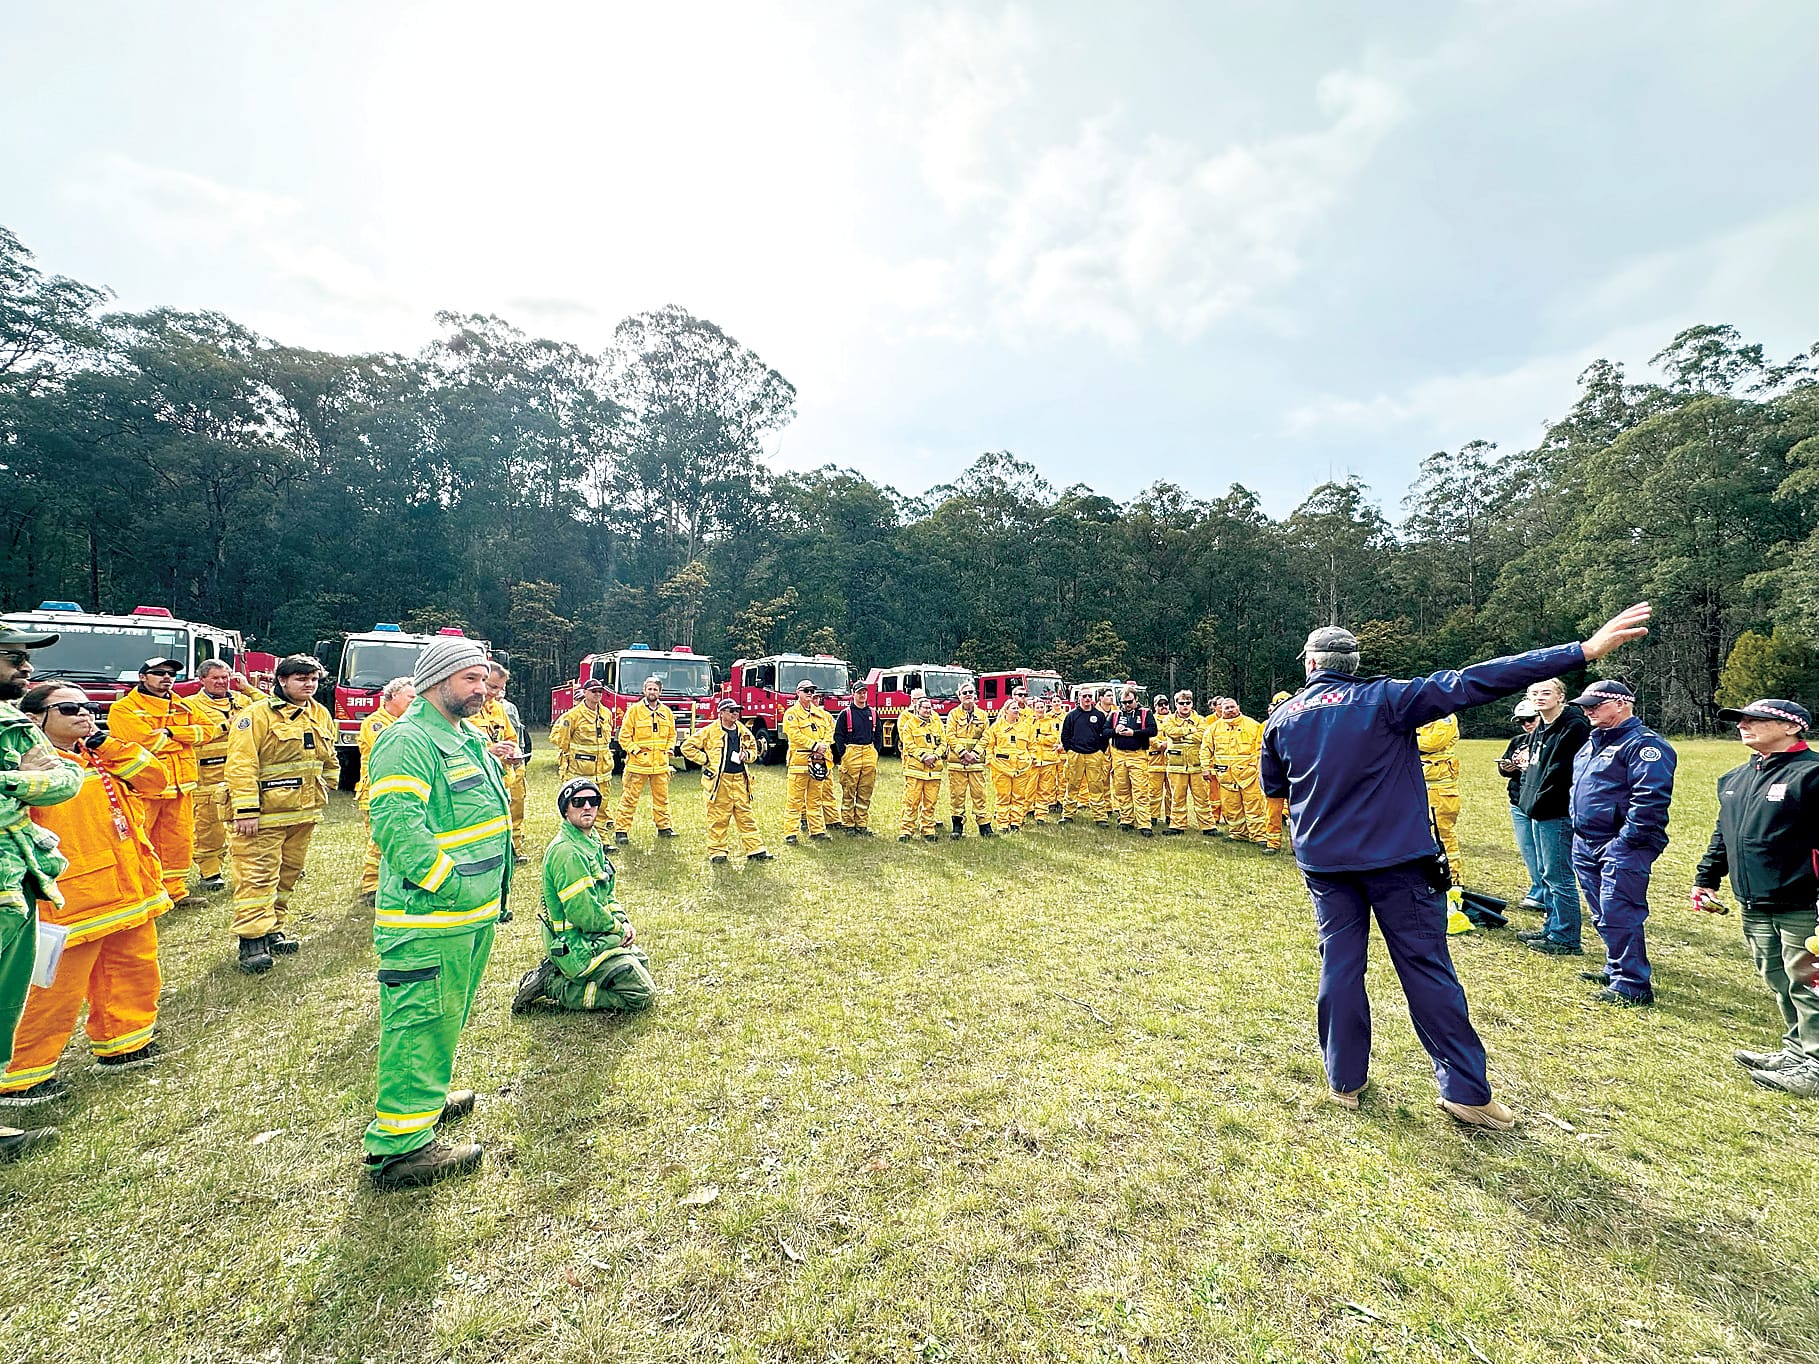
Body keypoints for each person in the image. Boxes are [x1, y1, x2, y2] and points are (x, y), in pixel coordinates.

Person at [1259, 603, 1652, 1128]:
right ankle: (1465, 1092)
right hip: (1398, 860)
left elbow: (1275, 789)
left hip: (1326, 864)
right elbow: (1478, 680)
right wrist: (1581, 652)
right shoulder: (1388, 698)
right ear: (1353, 664)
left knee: (1340, 966)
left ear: (1310, 664)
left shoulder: (1282, 717)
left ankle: (1345, 1081)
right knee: (1426, 968)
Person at [361, 636, 511, 1189]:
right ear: (435, 681)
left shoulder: (463, 735)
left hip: (467, 916)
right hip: (430, 918)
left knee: (444, 1018)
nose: (482, 689)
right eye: (470, 679)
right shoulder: (408, 740)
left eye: (484, 679)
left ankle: (425, 1100)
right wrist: (448, 884)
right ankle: (400, 1149)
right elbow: (398, 828)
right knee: (418, 1023)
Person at [1, 684, 170, 1103]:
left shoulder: (101, 756)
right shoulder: (28, 769)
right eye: (69, 708)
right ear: (34, 718)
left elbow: (156, 781)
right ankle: (21, 1077)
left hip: (128, 889)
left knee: (134, 969)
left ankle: (126, 1044)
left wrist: (106, 744)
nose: (85, 714)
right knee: (49, 989)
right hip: (69, 901)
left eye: (89, 706)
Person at [1692, 698, 1819, 1097]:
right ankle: (1796, 1051)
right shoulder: (1735, 777)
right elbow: (1723, 833)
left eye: (1757, 720)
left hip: (1804, 904)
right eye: (1741, 720)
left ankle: (1815, 1067)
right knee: (1779, 979)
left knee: (1810, 985)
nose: (1744, 725)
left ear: (1792, 727)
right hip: (1755, 902)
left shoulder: (1812, 775)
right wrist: (1706, 877)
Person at [0, 630, 81, 1162]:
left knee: (4, 1001)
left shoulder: (13, 721)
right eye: (13, 657)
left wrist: (15, 782)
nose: (25, 667)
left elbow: (67, 779)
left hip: (18, 878)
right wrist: (21, 778)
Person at [223, 654, 339, 975]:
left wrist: (329, 784)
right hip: (263, 816)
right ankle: (252, 941)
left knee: (288, 874)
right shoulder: (256, 715)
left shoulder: (320, 713)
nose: (309, 684)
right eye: (301, 678)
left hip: (303, 815)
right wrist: (246, 809)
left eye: (313, 679)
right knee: (257, 876)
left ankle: (274, 928)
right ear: (282, 681)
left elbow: (328, 756)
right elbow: (241, 764)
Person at [1568, 679, 1676, 1006]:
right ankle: (1616, 966)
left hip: (1620, 843)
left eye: (1595, 705)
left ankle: (1631, 985)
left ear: (1621, 704)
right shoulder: (1592, 742)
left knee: (1619, 911)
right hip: (1586, 840)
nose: (1588, 711)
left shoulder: (1643, 745)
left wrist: (1625, 841)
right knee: (1602, 911)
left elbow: (1650, 800)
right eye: (1585, 706)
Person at [513, 777, 657, 1013]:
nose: (587, 806)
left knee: (641, 964)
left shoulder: (590, 841)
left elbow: (606, 893)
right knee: (641, 994)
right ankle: (554, 985)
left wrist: (623, 920)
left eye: (593, 800)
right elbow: (584, 913)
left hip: (594, 936)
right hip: (576, 944)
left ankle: (562, 974)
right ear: (566, 810)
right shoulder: (568, 852)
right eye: (578, 802)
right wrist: (618, 930)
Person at [107, 656, 224, 907]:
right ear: (142, 677)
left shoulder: (182, 705)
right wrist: (183, 741)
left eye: (171, 673)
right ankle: (141, 892)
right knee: (140, 841)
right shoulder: (124, 708)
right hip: (145, 788)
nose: (167, 677)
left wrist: (172, 733)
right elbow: (145, 742)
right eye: (159, 673)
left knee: (178, 842)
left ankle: (175, 892)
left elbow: (208, 731)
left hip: (181, 786)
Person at [1514, 679, 1593, 958]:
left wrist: (1541, 799)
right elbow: (1534, 766)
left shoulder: (1574, 726)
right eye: (1534, 693)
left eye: (1546, 693)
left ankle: (1566, 937)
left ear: (1561, 696)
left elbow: (1562, 771)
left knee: (1558, 875)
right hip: (1536, 808)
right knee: (1546, 873)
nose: (1540, 697)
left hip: (1556, 810)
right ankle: (1551, 928)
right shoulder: (1541, 726)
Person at [185, 660, 264, 893]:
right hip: (207, 778)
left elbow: (272, 708)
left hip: (242, 776)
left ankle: (256, 870)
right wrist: (225, 725)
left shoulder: (243, 701)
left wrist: (248, 688)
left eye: (225, 677)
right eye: (215, 678)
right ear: (202, 680)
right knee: (208, 829)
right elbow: (189, 735)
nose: (221, 682)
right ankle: (210, 873)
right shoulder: (189, 705)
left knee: (250, 826)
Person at [679, 700, 774, 864]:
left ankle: (756, 850)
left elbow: (753, 750)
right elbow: (687, 747)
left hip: (740, 781)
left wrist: (747, 755)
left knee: (746, 817)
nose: (735, 713)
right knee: (718, 818)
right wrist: (705, 759)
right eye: (731, 710)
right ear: (721, 713)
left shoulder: (743, 731)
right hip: (719, 782)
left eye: (737, 710)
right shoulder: (709, 731)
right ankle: (717, 852)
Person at [355, 678, 416, 903]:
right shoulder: (375, 723)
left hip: (401, 791)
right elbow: (392, 747)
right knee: (380, 840)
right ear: (393, 696)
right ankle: (371, 887)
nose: (415, 702)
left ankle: (393, 884)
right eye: (411, 697)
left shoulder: (409, 723)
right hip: (376, 792)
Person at [613, 676, 678, 844]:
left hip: (660, 765)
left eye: (655, 689)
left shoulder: (667, 712)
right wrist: (636, 751)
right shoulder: (634, 711)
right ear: (644, 690)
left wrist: (669, 749)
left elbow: (672, 735)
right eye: (649, 689)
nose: (652, 692)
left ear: (660, 692)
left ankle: (664, 827)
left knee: (662, 799)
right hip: (638, 765)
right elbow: (624, 737)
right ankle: (621, 831)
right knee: (629, 799)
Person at [476, 664, 529, 863]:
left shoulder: (498, 709)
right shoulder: (464, 709)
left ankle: (510, 851)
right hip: (478, 781)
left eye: (500, 688)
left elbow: (511, 738)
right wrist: (489, 751)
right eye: (492, 687)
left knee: (508, 816)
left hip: (501, 779)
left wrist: (513, 752)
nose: (496, 693)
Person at [1496, 699, 1544, 910]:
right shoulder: (1518, 741)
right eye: (1521, 721)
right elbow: (1505, 766)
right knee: (1528, 849)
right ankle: (1538, 887)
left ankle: (1547, 893)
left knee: (1545, 852)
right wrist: (1507, 768)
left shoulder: (1551, 741)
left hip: (1542, 804)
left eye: (1530, 719)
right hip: (1518, 801)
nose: (1526, 724)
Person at [778, 679, 835, 845]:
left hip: (818, 761)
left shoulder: (820, 714)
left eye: (812, 691)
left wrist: (823, 745)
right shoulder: (791, 714)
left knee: (815, 799)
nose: (810, 694)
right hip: (799, 763)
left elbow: (829, 730)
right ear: (798, 693)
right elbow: (794, 735)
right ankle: (791, 833)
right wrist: (814, 745)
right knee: (795, 801)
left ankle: (817, 831)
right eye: (806, 691)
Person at [1208, 697, 1269, 848]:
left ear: (1238, 707)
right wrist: (1205, 768)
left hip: (1249, 775)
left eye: (1232, 707)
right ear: (1221, 710)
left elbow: (1260, 748)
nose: (1230, 710)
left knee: (1254, 806)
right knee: (1231, 807)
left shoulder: (1253, 725)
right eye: (1226, 708)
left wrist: (1258, 767)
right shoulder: (1214, 728)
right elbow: (1206, 749)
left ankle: (1258, 836)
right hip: (1226, 777)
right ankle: (1237, 833)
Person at [550, 680, 616, 808]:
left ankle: (600, 821)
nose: (597, 694)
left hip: (603, 771)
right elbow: (563, 742)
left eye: (600, 691)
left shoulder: (606, 713)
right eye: (593, 691)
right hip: (580, 769)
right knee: (579, 805)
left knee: (602, 804)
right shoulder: (572, 716)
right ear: (585, 692)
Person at [896, 692, 948, 842]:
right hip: (915, 770)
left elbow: (943, 743)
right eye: (924, 708)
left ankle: (928, 830)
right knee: (911, 802)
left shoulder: (937, 724)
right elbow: (909, 745)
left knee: (930, 803)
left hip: (934, 770)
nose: (927, 710)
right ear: (917, 709)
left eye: (929, 707)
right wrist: (924, 757)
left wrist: (935, 756)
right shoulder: (909, 724)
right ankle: (906, 831)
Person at [944, 683, 993, 838]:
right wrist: (964, 753)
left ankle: (985, 827)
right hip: (957, 763)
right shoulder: (953, 714)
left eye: (970, 691)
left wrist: (974, 754)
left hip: (976, 763)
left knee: (980, 795)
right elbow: (950, 736)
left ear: (975, 695)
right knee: (957, 796)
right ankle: (957, 828)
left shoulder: (983, 715)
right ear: (959, 696)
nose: (968, 694)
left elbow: (986, 736)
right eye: (964, 692)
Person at [1108, 687, 1157, 835]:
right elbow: (1104, 732)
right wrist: (1115, 730)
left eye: (1129, 702)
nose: (1127, 705)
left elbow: (1153, 730)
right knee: (1121, 790)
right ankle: (1126, 820)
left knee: (1140, 790)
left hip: (1137, 755)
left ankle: (1144, 824)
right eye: (1124, 702)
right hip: (1119, 755)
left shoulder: (1145, 713)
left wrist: (1134, 733)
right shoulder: (1115, 714)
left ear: (1136, 700)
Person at [833, 682, 880, 835]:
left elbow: (878, 734)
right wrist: (843, 753)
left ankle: (861, 824)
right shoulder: (845, 714)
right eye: (859, 692)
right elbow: (838, 735)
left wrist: (875, 751)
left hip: (868, 752)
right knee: (849, 790)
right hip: (851, 752)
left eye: (864, 692)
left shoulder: (873, 713)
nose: (862, 695)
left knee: (865, 791)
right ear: (853, 694)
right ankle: (848, 824)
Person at [1156, 692, 1205, 835]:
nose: (1185, 706)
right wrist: (1190, 730)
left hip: (1196, 765)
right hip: (1176, 765)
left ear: (1192, 704)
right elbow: (1171, 732)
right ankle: (1177, 826)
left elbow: (1202, 735)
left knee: (1202, 798)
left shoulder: (1200, 719)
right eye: (1181, 703)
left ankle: (1208, 827)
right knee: (1177, 798)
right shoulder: (1168, 719)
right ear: (1176, 704)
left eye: (1187, 703)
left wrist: (1181, 736)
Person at [1059, 688, 1110, 826]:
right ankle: (1067, 815)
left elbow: (1105, 735)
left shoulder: (1099, 715)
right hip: (1076, 755)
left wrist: (1100, 751)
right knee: (1072, 785)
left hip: (1094, 755)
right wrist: (1070, 750)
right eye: (1084, 696)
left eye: (1089, 696)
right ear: (1079, 698)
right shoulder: (1071, 715)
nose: (1087, 698)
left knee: (1096, 785)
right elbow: (1065, 735)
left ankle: (1100, 817)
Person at [986, 695, 1034, 832]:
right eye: (1013, 708)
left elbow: (1032, 746)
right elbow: (989, 746)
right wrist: (990, 760)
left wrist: (1031, 759)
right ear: (1006, 710)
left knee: (1019, 797)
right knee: (1003, 797)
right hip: (1001, 768)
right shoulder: (996, 728)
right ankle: (1002, 824)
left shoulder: (1026, 727)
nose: (1017, 710)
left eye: (1017, 708)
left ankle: (1015, 823)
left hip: (1021, 769)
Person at [1262, 690, 1292, 851]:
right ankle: (1273, 844)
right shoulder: (1265, 725)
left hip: (1293, 773)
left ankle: (1296, 846)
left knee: (1296, 812)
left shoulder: (1298, 722)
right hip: (1273, 773)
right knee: (1273, 811)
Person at [1028, 694, 1064, 821]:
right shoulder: (1028, 722)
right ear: (1033, 708)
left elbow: (1054, 738)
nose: (1040, 709)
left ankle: (1041, 815)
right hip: (1033, 760)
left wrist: (1040, 738)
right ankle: (1028, 809)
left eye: (1042, 707)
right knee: (1030, 787)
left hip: (1049, 759)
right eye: (1037, 707)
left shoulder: (1051, 722)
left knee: (1045, 789)